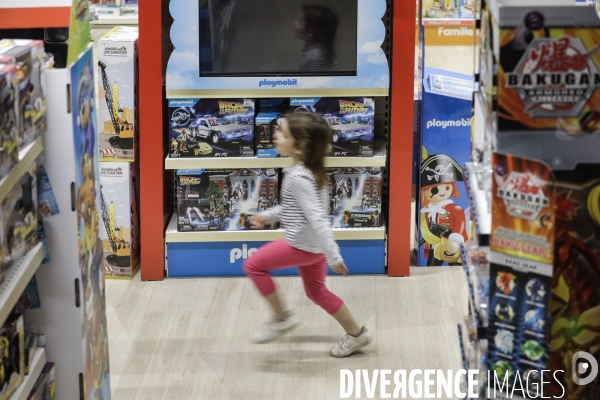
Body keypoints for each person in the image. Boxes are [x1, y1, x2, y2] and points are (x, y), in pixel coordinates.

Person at [244, 113, 372, 357]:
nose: (275, 136)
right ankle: (357, 334)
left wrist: (334, 257)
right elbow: (297, 210)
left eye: (283, 134)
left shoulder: (298, 178)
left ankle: (280, 318)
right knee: (317, 293)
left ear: (301, 147)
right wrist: (267, 216)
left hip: (301, 247)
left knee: (253, 266)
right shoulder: (310, 172)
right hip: (314, 249)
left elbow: (317, 219)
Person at [294, 5, 339, 71]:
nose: (295, 23)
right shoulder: (317, 53)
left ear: (311, 32)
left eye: (300, 23)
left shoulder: (315, 58)